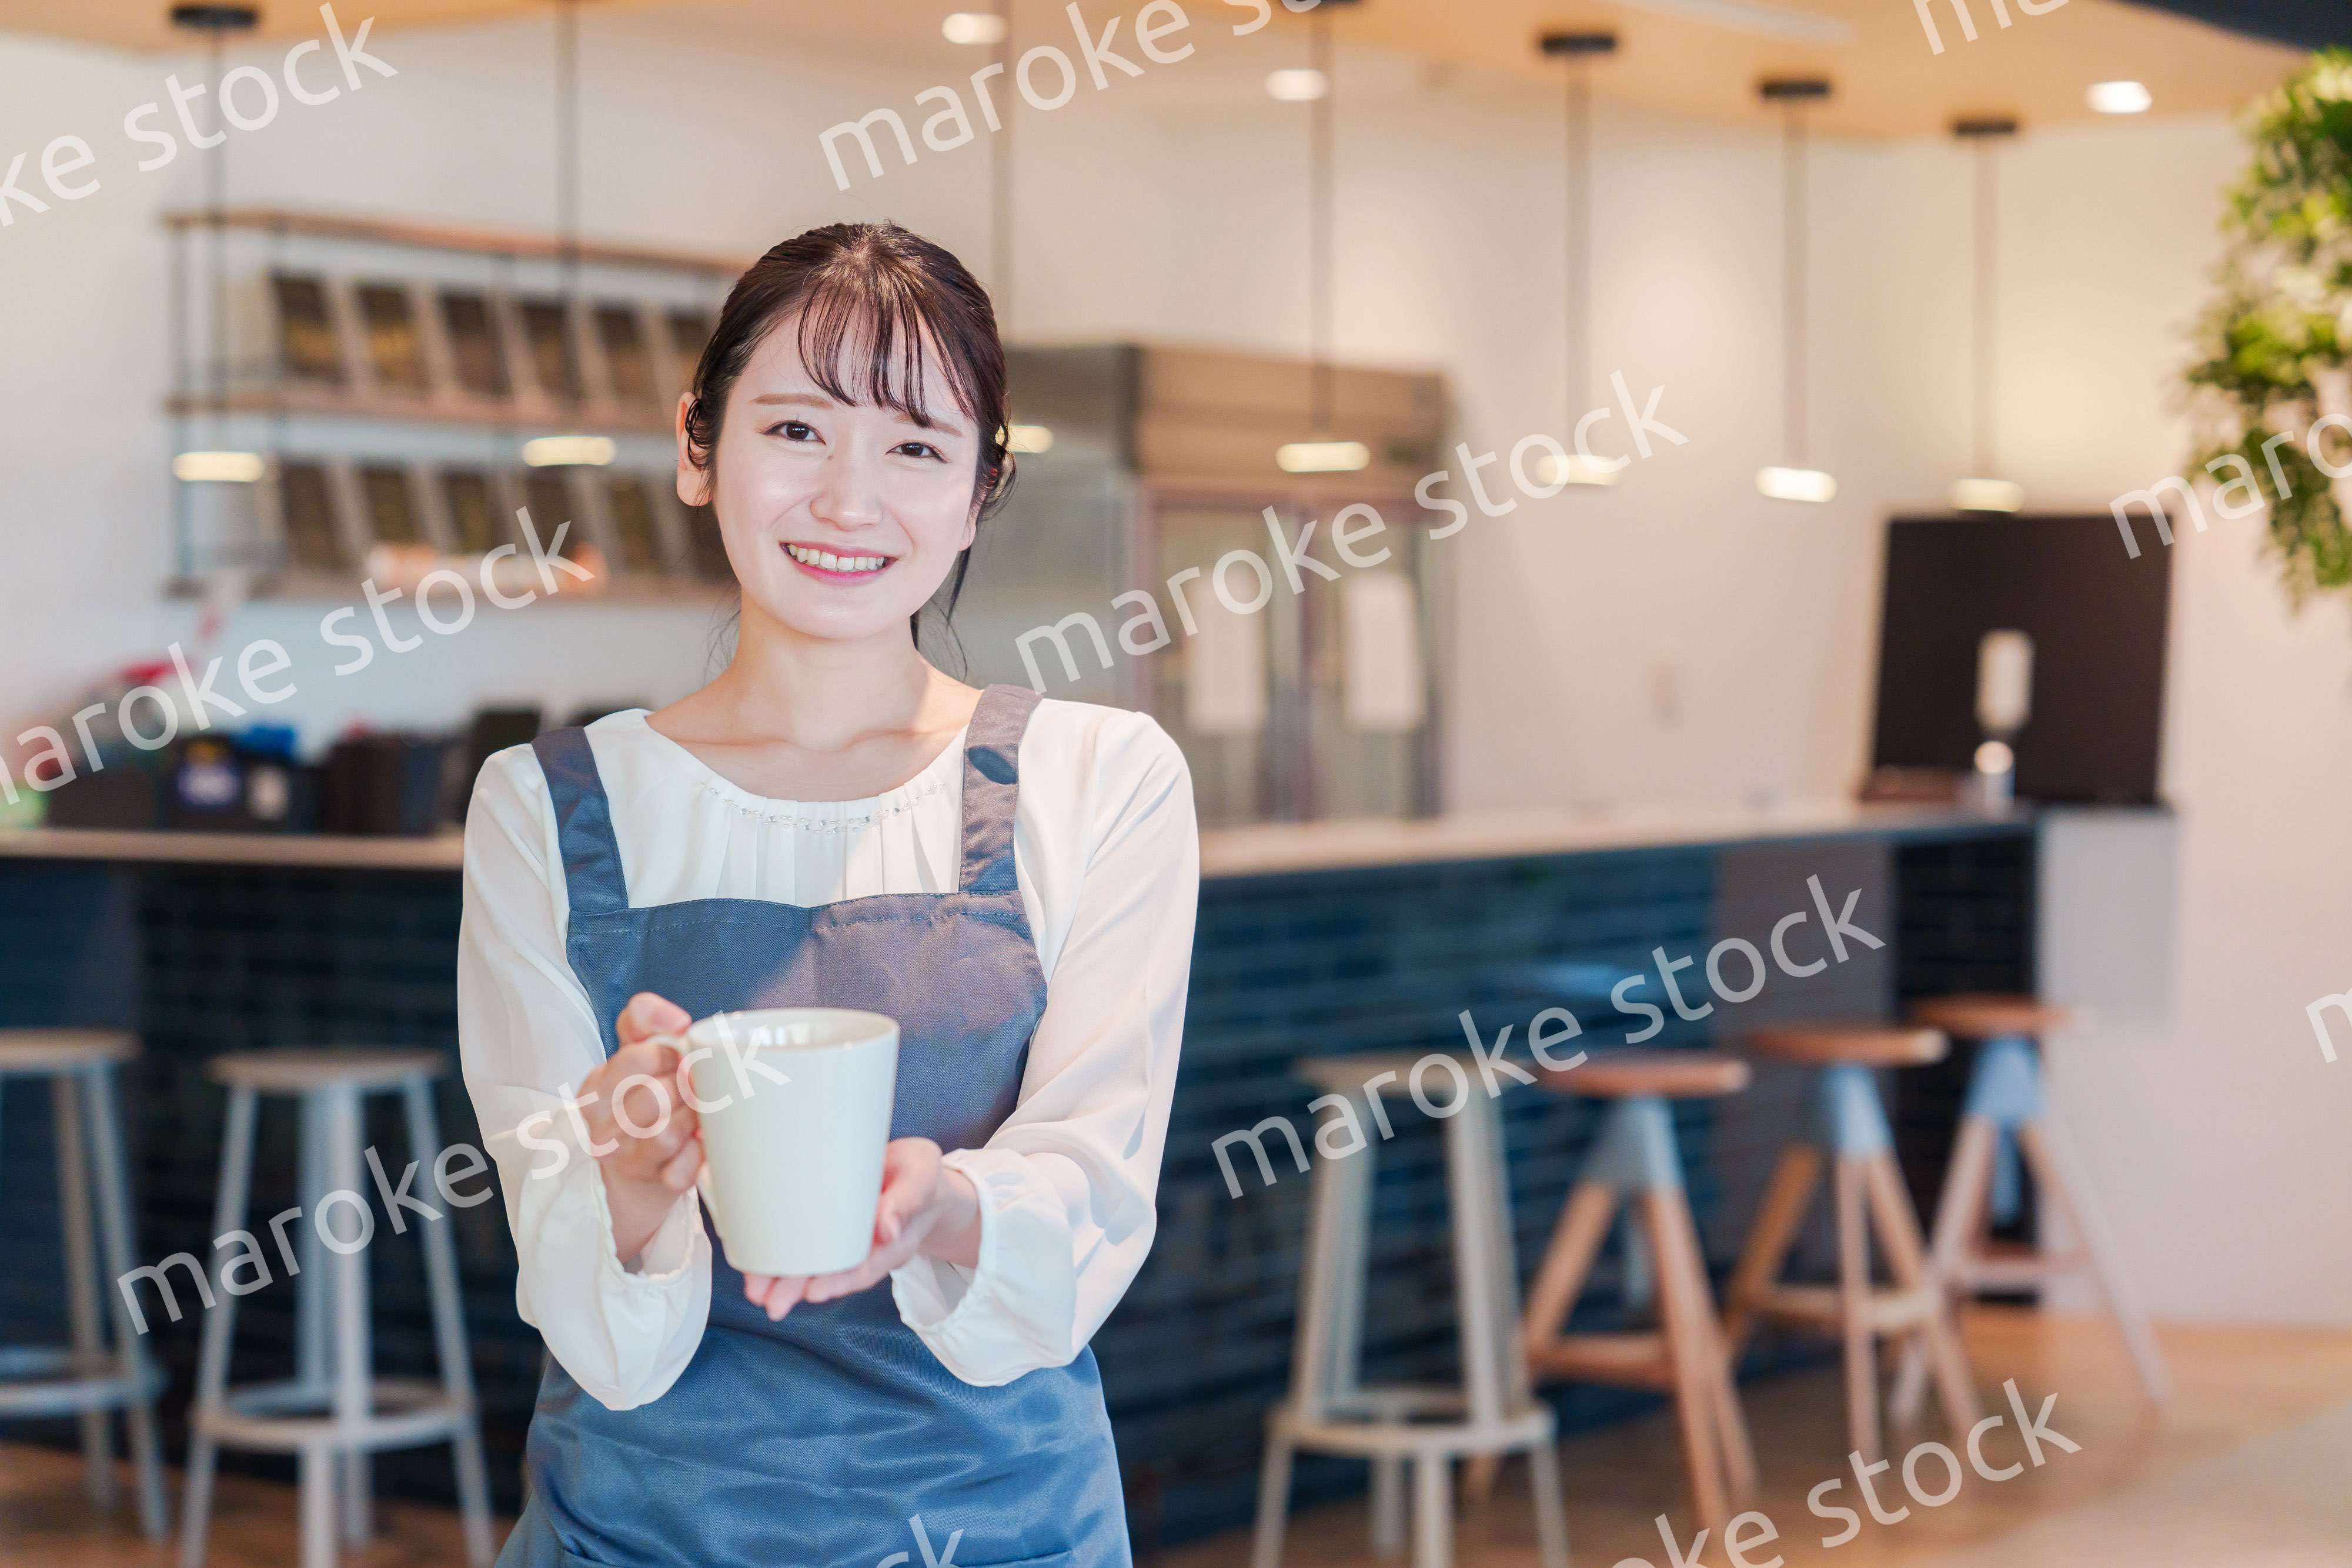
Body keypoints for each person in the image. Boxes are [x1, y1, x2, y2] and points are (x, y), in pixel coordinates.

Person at [457, 221, 1197, 1567]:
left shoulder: (1101, 780)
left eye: (914, 446)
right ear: (697, 445)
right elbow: (576, 1302)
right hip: (637, 1532)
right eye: (795, 430)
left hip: (999, 1530)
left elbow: (1094, 1193)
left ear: (980, 490)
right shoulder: (547, 805)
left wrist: (948, 1205)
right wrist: (624, 1179)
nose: (849, 501)